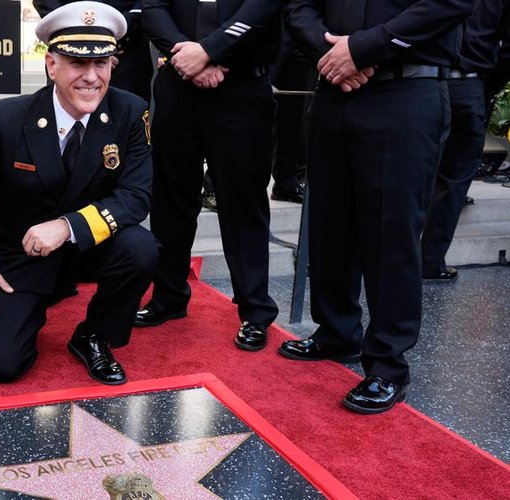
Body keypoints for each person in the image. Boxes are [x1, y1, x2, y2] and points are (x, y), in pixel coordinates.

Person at [0, 1, 156, 385]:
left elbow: (136, 196)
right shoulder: (8, 117)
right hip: (20, 253)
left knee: (141, 247)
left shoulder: (130, 112)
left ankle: (94, 334)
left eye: (101, 63)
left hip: (88, 247)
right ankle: (33, 302)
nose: (91, 77)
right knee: (1, 366)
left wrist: (66, 226)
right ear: (51, 65)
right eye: (77, 63)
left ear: (113, 66)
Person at [280, 0, 471, 414]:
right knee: (330, 223)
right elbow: (299, 7)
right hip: (335, 88)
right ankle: (338, 331)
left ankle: (387, 365)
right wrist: (334, 54)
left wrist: (364, 50)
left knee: (391, 232)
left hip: (405, 90)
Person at [135, 0, 281, 352]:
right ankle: (168, 297)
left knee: (242, 202)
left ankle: (255, 311)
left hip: (242, 84)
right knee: (170, 198)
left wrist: (209, 51)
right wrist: (187, 56)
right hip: (177, 83)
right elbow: (152, 6)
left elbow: (260, 9)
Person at [420, 0, 510, 282]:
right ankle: (430, 261)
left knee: (410, 172)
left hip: (423, 81)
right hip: (468, 84)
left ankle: (392, 259)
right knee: (454, 180)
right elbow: (507, 51)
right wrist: (485, 87)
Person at [33, 0, 153, 102]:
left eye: (100, 62)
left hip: (129, 52)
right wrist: (83, 40)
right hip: (69, 48)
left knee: (127, 116)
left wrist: (122, 29)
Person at [269, 27, 316, 205]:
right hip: (281, 50)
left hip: (300, 53)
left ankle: (286, 182)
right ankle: (285, 181)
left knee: (293, 125)